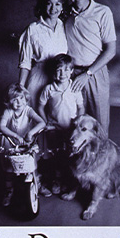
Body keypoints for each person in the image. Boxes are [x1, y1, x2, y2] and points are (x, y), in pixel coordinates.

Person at [63, 0, 117, 135]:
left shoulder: (103, 12)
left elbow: (111, 51)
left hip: (94, 73)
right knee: (74, 123)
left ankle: (101, 159)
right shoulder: (65, 14)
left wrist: (87, 73)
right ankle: (80, 159)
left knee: (98, 124)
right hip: (71, 75)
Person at [38, 54, 85, 194]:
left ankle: (69, 181)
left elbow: (81, 107)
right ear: (53, 73)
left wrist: (79, 122)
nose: (62, 74)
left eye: (66, 70)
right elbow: (40, 106)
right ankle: (56, 180)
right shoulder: (49, 89)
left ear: (71, 71)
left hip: (71, 130)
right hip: (54, 128)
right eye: (58, 70)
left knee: (70, 155)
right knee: (55, 156)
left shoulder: (75, 88)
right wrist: (45, 121)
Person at [18, 0, 69, 108]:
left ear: (62, 7)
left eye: (57, 4)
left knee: (58, 119)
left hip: (60, 80)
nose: (53, 8)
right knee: (37, 118)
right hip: (38, 79)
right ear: (43, 5)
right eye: (49, 3)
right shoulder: (33, 29)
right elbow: (25, 62)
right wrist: (20, 87)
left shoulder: (65, 27)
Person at [0, 83, 46, 206]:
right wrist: (15, 136)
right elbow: (2, 126)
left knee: (32, 166)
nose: (18, 102)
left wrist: (31, 133)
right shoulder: (8, 111)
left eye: (21, 99)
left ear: (26, 99)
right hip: (11, 143)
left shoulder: (28, 110)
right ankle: (9, 190)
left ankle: (38, 184)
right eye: (14, 99)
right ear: (8, 102)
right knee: (9, 169)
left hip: (27, 143)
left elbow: (42, 123)